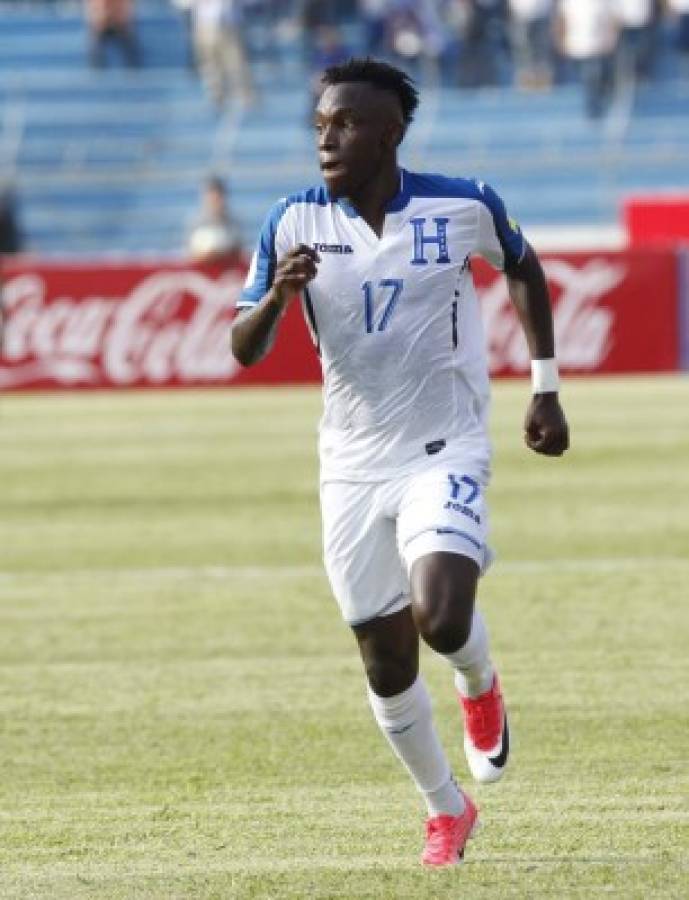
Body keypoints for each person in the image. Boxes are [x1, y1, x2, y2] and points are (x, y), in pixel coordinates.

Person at [231, 58, 569, 867]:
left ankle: (478, 681)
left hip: (441, 445)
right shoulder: (289, 222)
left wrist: (544, 388)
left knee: (441, 617)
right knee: (385, 662)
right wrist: (278, 296)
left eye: (343, 124)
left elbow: (523, 268)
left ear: (389, 131)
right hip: (348, 465)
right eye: (318, 126)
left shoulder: (462, 203)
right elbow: (242, 347)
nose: (326, 139)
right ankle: (445, 809)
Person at [187, 175, 243, 263]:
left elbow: (239, 252)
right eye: (212, 196)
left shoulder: (233, 222)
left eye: (218, 196)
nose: (216, 200)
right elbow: (190, 255)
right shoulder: (195, 222)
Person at [84, 0, 141, 68]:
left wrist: (118, 20)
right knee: (95, 45)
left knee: (129, 43)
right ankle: (96, 69)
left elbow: (127, 13)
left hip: (120, 26)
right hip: (102, 26)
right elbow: (94, 14)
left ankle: (133, 69)